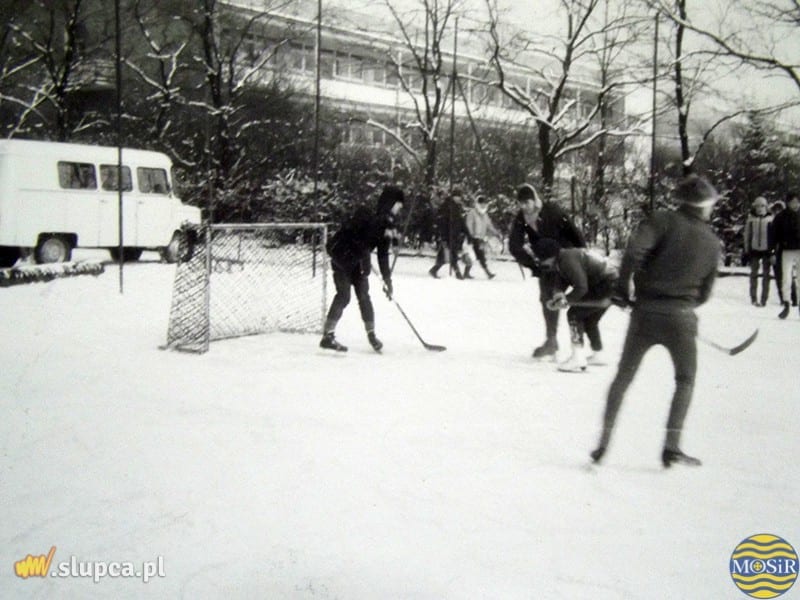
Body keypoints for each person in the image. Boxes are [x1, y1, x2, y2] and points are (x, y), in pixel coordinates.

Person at [590, 175, 720, 468]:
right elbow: (706, 293)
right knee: (685, 380)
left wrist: (623, 289)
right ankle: (672, 446)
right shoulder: (712, 242)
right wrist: (684, 306)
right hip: (682, 320)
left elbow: (634, 252)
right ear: (704, 206)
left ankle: (603, 443)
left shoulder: (661, 220)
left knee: (623, 377)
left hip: (645, 314)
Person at [320, 185, 404, 352]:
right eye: (398, 205)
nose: (399, 209)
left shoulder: (387, 224)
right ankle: (327, 336)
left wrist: (387, 279)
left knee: (364, 296)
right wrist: (360, 250)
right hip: (342, 259)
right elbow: (350, 234)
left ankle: (372, 335)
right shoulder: (368, 216)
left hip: (358, 263)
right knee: (344, 296)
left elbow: (382, 254)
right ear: (390, 203)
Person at [508, 183, 585, 359]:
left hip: (567, 258)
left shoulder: (552, 211)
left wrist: (582, 256)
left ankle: (583, 347)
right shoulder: (522, 217)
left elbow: (574, 232)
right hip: (546, 263)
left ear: (535, 200)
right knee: (546, 299)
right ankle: (551, 341)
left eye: (527, 202)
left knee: (577, 299)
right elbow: (514, 244)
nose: (524, 207)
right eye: (521, 203)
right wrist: (532, 264)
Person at [532, 238, 618, 372]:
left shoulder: (567, 260)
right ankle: (598, 354)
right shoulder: (564, 257)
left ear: (550, 256)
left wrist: (566, 301)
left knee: (574, 314)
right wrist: (558, 294)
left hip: (606, 285)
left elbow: (581, 287)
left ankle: (577, 357)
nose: (541, 264)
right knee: (590, 319)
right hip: (610, 283)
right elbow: (563, 279)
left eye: (541, 260)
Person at [428, 186, 472, 279]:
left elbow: (460, 222)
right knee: (451, 254)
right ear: (454, 197)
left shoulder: (456, 207)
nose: (460, 199)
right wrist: (443, 236)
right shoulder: (447, 206)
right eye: (458, 197)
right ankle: (457, 272)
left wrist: (467, 233)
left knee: (444, 255)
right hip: (448, 234)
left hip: (454, 234)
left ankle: (434, 270)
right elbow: (442, 222)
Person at [771, 193, 800, 319]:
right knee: (786, 278)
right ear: (787, 203)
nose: (795, 204)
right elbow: (773, 236)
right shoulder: (780, 217)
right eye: (792, 202)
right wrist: (772, 251)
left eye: (797, 202)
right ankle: (787, 303)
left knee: (799, 280)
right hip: (786, 250)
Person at [742, 196, 774, 306]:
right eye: (757, 206)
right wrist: (746, 250)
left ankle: (764, 299)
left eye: (762, 206)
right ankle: (753, 298)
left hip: (767, 250)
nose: (760, 208)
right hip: (754, 250)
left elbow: (773, 236)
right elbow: (747, 235)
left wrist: (773, 251)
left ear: (766, 207)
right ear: (754, 207)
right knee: (753, 274)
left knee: (766, 275)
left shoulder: (770, 219)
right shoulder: (751, 220)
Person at [464, 195, 502, 279]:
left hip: (480, 238)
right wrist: (470, 236)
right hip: (473, 238)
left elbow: (489, 226)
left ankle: (466, 273)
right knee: (477, 256)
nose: (483, 206)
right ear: (478, 204)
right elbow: (468, 225)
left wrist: (496, 233)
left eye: (485, 204)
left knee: (477, 255)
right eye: (482, 204)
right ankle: (487, 273)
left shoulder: (485, 215)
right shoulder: (472, 213)